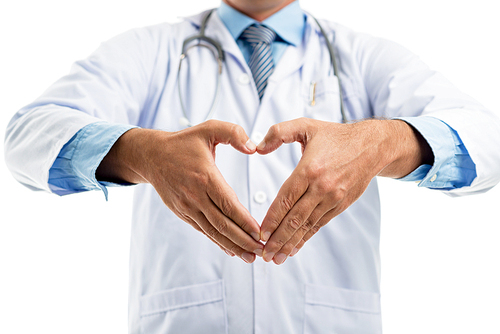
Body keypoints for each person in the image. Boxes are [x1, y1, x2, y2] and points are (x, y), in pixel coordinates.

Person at [4, 0, 500, 333]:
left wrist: (383, 142)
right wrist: (142, 153)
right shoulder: (151, 50)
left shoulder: (361, 55)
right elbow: (26, 138)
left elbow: (488, 142)